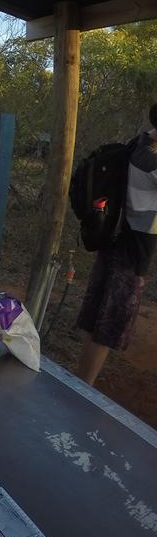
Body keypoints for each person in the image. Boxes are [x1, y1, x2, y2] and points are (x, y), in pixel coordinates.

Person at [76, 102, 157, 385]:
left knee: (99, 314)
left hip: (115, 239)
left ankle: (79, 384)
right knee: (110, 323)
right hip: (134, 248)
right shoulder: (151, 162)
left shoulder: (138, 146)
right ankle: (83, 388)